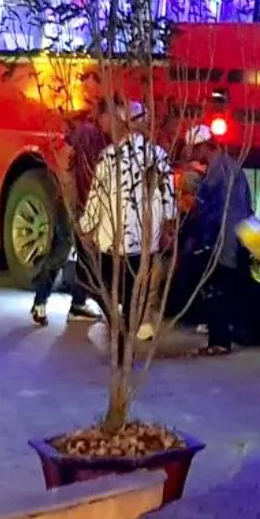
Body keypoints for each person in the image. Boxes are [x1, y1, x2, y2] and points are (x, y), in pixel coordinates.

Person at [79, 102, 175, 343]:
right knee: (135, 292)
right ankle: (129, 338)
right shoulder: (159, 156)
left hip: (111, 240)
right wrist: (167, 227)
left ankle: (118, 331)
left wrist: (86, 227)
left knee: (108, 289)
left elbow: (95, 198)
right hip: (144, 242)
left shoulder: (109, 157)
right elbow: (169, 202)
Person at [31, 102, 109, 326]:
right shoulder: (87, 134)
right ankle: (41, 302)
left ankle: (77, 303)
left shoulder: (100, 137)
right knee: (62, 251)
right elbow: (65, 161)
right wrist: (70, 197)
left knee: (84, 255)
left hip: (83, 203)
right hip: (74, 203)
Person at [183, 125, 257, 356]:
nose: (193, 155)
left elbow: (212, 211)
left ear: (204, 147)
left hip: (224, 240)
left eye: (195, 150)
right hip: (235, 236)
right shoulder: (227, 166)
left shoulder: (218, 171)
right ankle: (226, 336)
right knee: (227, 289)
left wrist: (205, 242)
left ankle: (220, 341)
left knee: (219, 290)